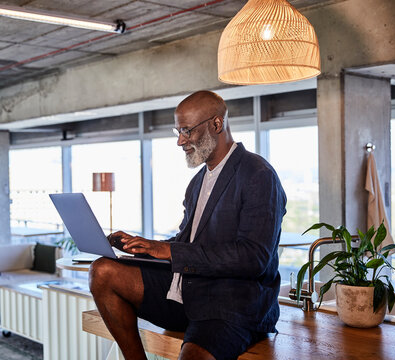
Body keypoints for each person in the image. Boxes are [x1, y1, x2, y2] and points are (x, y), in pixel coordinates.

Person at [89, 90, 287, 360]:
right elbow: (188, 243)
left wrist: (170, 251)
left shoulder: (258, 175)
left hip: (231, 307)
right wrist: (146, 247)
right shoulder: (197, 182)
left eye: (187, 130)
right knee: (102, 271)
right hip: (187, 294)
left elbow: (254, 258)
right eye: (178, 131)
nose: (180, 141)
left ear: (217, 124)